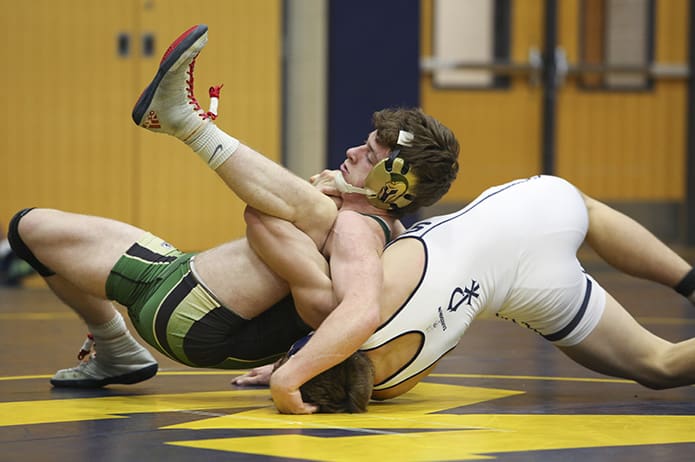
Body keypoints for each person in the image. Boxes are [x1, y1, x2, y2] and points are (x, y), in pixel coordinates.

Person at [6, 25, 459, 412]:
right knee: (26, 228)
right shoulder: (376, 228)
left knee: (315, 211)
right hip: (174, 274)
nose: (351, 152)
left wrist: (294, 370)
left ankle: (187, 121)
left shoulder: (358, 229)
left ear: (391, 186)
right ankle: (114, 349)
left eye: (368, 156)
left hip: (198, 315)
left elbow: (349, 308)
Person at [239, 173, 695, 413]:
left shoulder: (389, 387)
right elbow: (349, 319)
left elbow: (343, 362)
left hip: (534, 291)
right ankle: (688, 281)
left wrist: (302, 367)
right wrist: (289, 372)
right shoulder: (356, 307)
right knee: (587, 210)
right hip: (526, 216)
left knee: (660, 365)